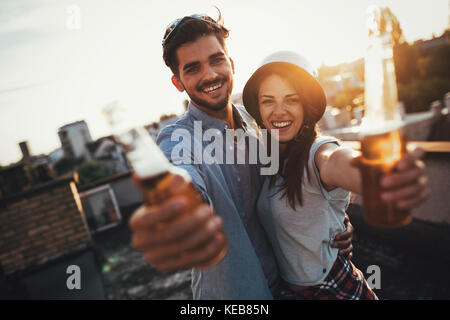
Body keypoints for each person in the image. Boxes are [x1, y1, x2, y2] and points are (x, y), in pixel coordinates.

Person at [129, 12, 429, 300]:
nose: (209, 74)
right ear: (178, 82)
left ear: (231, 63)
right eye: (192, 68)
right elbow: (182, 179)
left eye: (216, 60)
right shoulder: (178, 138)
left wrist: (338, 220)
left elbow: (322, 163)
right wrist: (174, 208)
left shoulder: (261, 123)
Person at [242, 51, 428, 299]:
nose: (279, 111)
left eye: (291, 99)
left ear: (307, 106)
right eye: (268, 101)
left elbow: (339, 162)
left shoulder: (318, 152)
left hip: (335, 288)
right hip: (289, 291)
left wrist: (381, 177)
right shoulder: (270, 161)